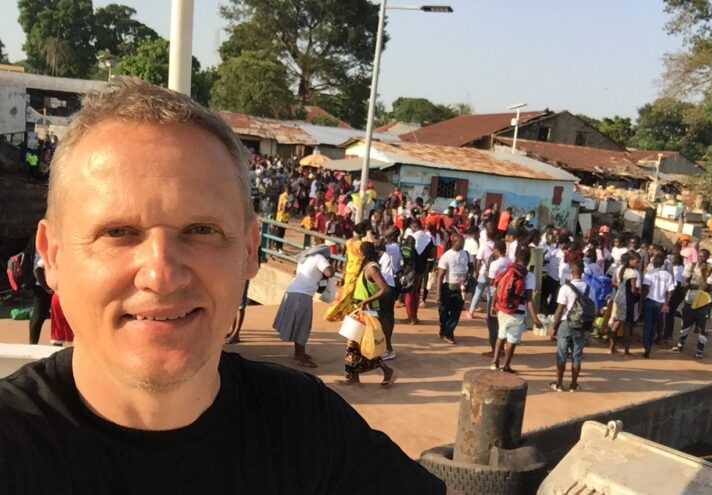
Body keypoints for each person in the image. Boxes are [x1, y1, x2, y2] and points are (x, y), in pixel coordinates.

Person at [0, 79, 448, 494]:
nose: (161, 274)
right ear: (52, 255)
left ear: (250, 250)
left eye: (201, 230)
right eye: (118, 232)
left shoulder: (307, 427)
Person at [341, 241, 396, 387]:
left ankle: (387, 371)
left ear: (362, 253)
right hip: (361, 311)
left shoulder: (371, 268)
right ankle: (352, 377)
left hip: (368, 311)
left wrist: (366, 301)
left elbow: (384, 288)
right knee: (354, 346)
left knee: (362, 345)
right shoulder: (368, 267)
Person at [490, 247, 542, 373]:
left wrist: (493, 305)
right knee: (512, 340)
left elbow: (497, 289)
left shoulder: (507, 270)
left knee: (500, 335)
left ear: (516, 258)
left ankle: (494, 362)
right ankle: (506, 366)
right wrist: (535, 319)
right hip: (517, 311)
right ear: (528, 260)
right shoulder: (529, 276)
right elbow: (528, 300)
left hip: (502, 308)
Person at [548, 262, 589, 392]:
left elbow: (560, 310)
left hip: (566, 323)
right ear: (582, 272)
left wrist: (554, 326)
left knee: (562, 354)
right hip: (580, 325)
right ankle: (573, 384)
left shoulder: (565, 288)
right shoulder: (587, 287)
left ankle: (559, 384)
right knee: (577, 356)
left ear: (571, 271)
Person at [671, 249, 712, 359]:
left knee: (703, 327)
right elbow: (684, 283)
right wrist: (689, 286)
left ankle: (700, 349)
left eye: (704, 256)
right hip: (690, 299)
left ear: (707, 257)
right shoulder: (690, 266)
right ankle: (680, 343)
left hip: (704, 302)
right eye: (700, 256)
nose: (701, 259)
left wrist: (702, 273)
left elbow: (705, 286)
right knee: (685, 323)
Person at [641, 254, 675, 358]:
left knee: (647, 324)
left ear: (653, 263)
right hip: (660, 303)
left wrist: (642, 300)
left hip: (649, 300)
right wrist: (666, 303)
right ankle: (650, 344)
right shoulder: (668, 275)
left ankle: (646, 347)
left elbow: (646, 288)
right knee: (654, 324)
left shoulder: (650, 273)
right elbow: (670, 291)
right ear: (663, 264)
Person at [608, 252, 641, 356]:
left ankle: (611, 347)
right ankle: (626, 350)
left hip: (619, 297)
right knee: (627, 325)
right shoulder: (633, 273)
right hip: (628, 300)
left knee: (617, 322)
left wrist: (621, 288)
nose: (638, 264)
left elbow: (614, 281)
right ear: (630, 260)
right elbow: (633, 289)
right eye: (636, 262)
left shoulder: (619, 269)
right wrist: (638, 295)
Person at [375, 239, 397, 360]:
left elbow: (378, 244)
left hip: (387, 287)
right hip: (387, 286)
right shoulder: (389, 250)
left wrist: (385, 235)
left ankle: (388, 349)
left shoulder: (393, 248)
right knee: (387, 316)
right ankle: (387, 347)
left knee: (384, 317)